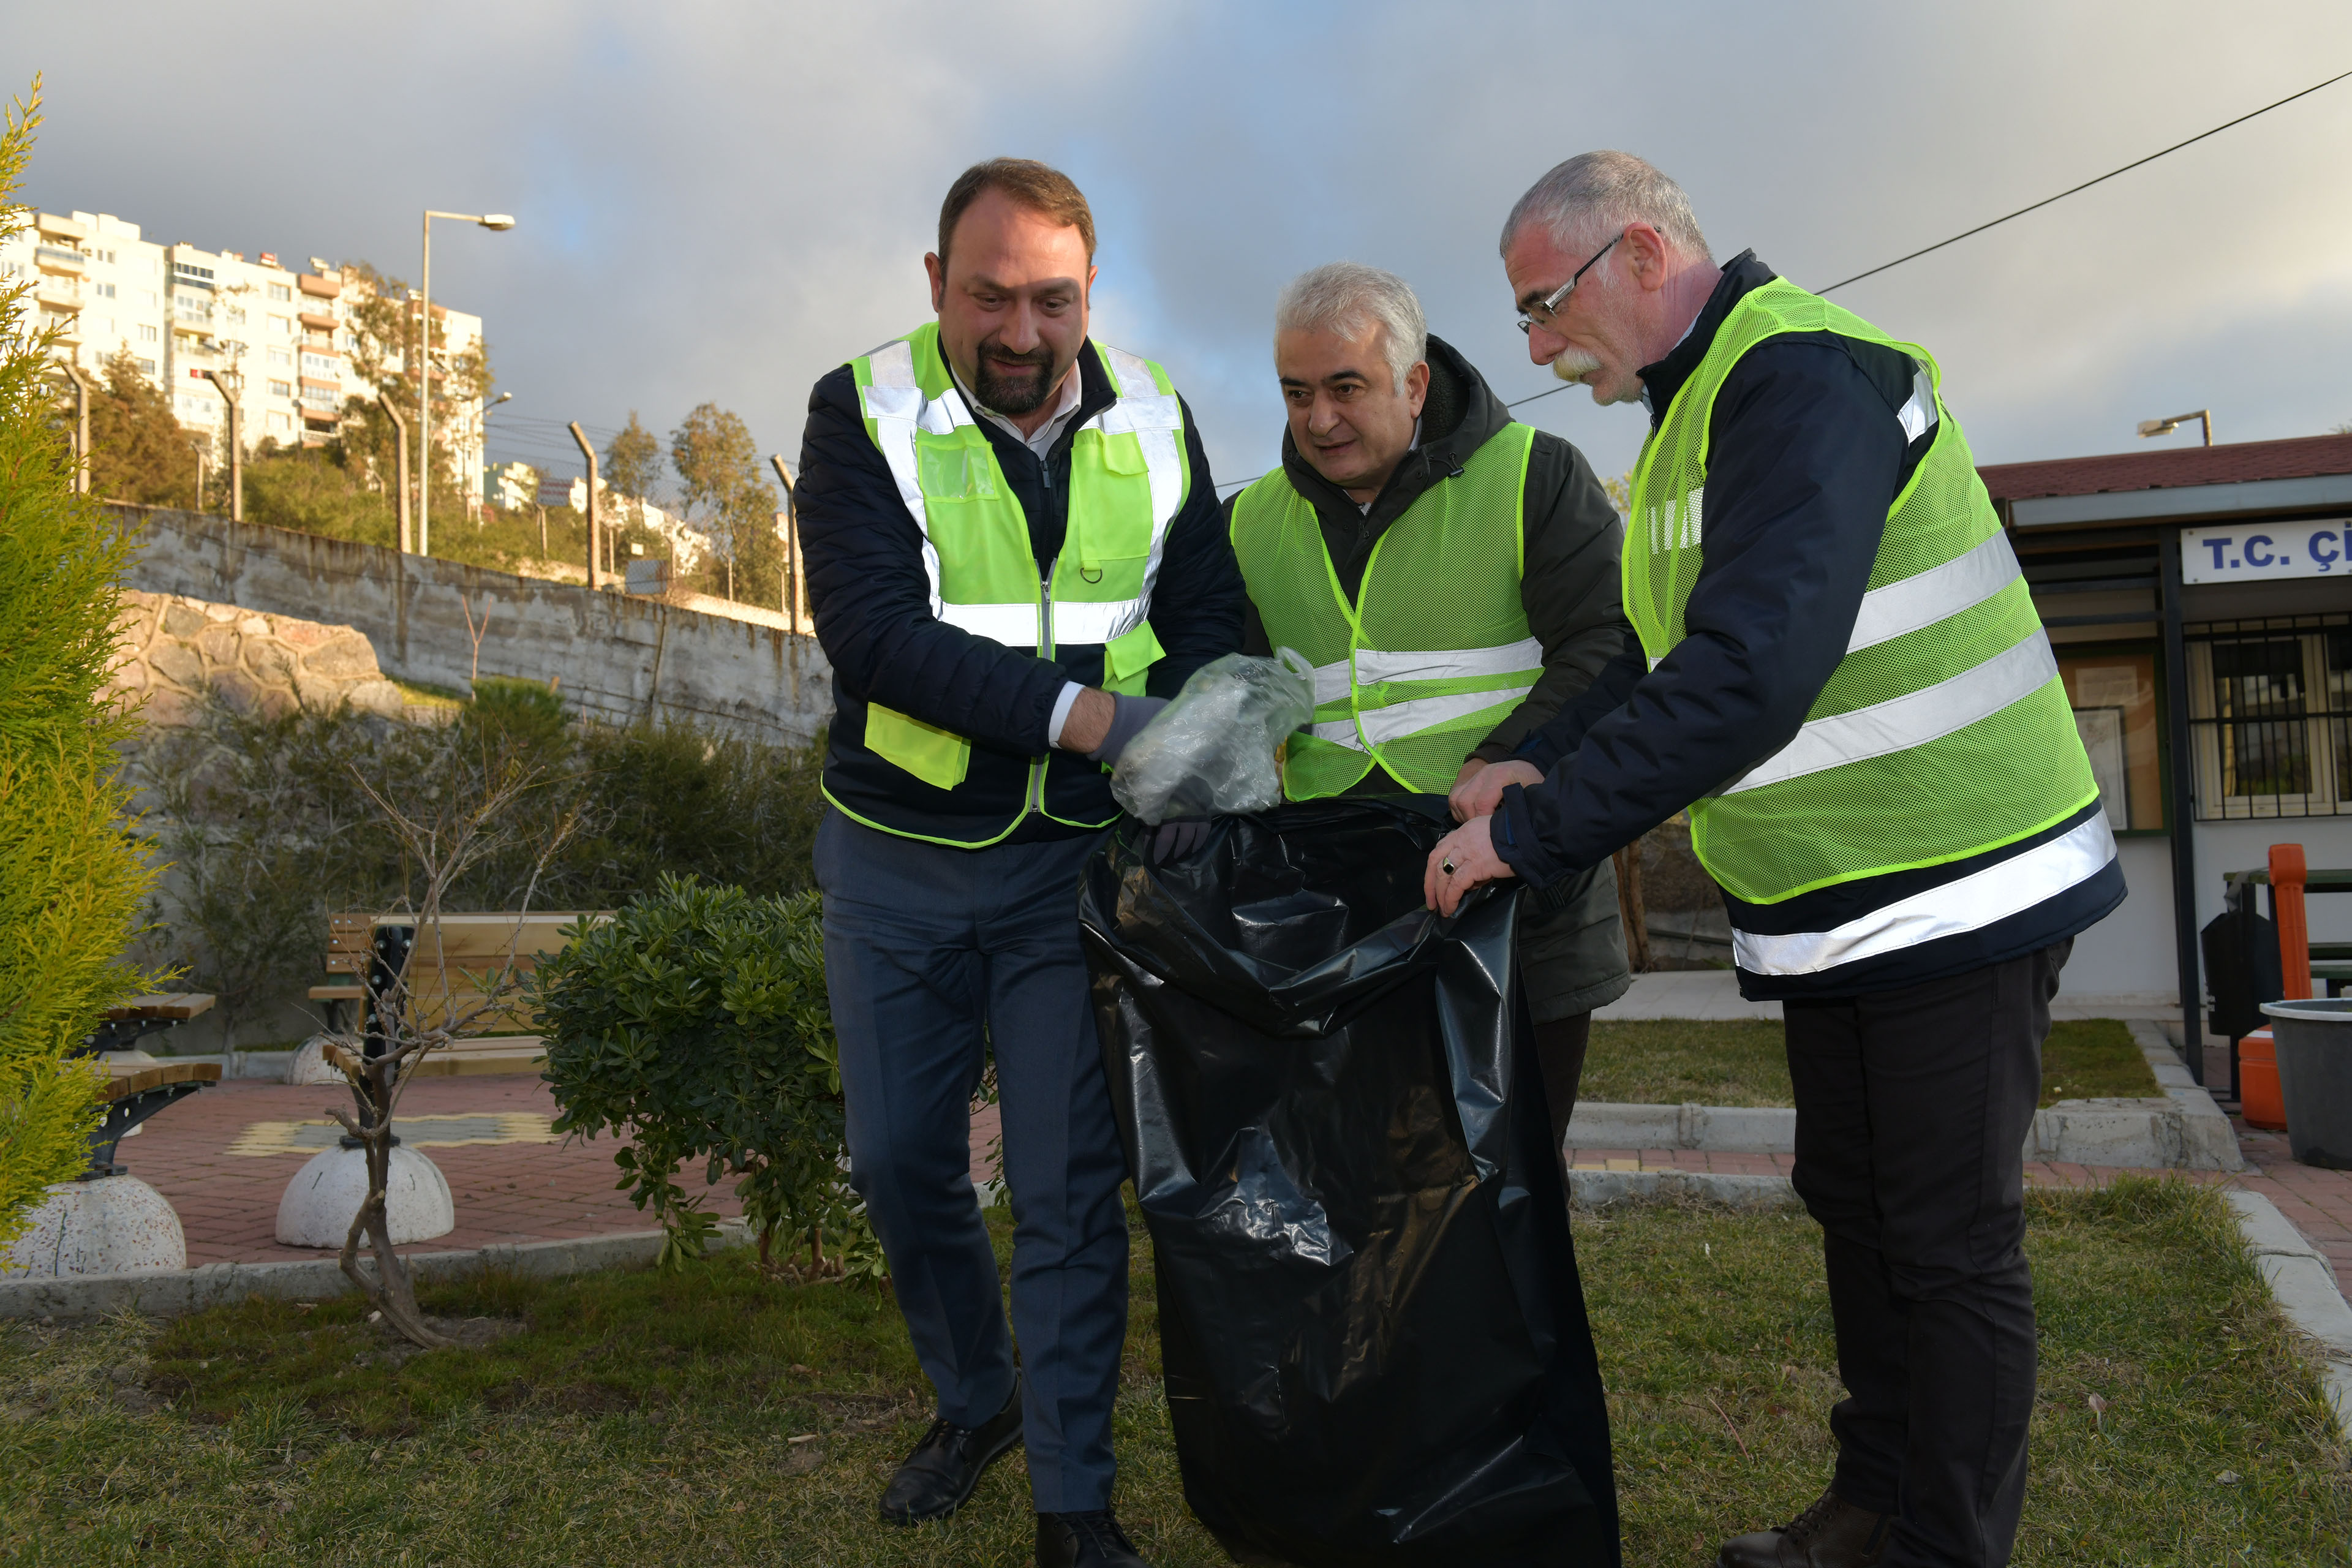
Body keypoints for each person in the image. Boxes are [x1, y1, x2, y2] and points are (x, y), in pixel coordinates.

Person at [1428, 152, 2122, 1568]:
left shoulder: (1800, 375)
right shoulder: (1693, 420)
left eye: (1543, 307)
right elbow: (1656, 653)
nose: (1539, 347)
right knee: (1860, 1210)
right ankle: (1876, 1505)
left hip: (1960, 875)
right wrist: (1538, 759)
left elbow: (1751, 670)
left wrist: (1533, 837)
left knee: (1943, 1239)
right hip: (1843, 899)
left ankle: (1946, 1544)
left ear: (1636, 254)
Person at [795, 157, 1243, 1568]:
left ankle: (1072, 1496)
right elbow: (875, 636)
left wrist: (1204, 748)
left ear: (1088, 294)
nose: (1022, 330)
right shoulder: (860, 409)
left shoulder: (1160, 412)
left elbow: (1212, 612)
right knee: (901, 1161)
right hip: (898, 857)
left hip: (1075, 872)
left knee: (1063, 1185)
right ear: (938, 285)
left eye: (1053, 299)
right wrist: (1103, 719)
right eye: (990, 294)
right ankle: (976, 1396)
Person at [1225, 262, 1631, 1152]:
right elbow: (1248, 706)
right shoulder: (1251, 523)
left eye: (1345, 388)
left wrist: (1505, 759)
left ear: (1414, 384)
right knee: (1367, 1194)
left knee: (1511, 1187)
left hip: (1524, 897)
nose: (1318, 419)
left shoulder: (1535, 476)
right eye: (1297, 394)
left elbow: (1609, 648)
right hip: (1342, 912)